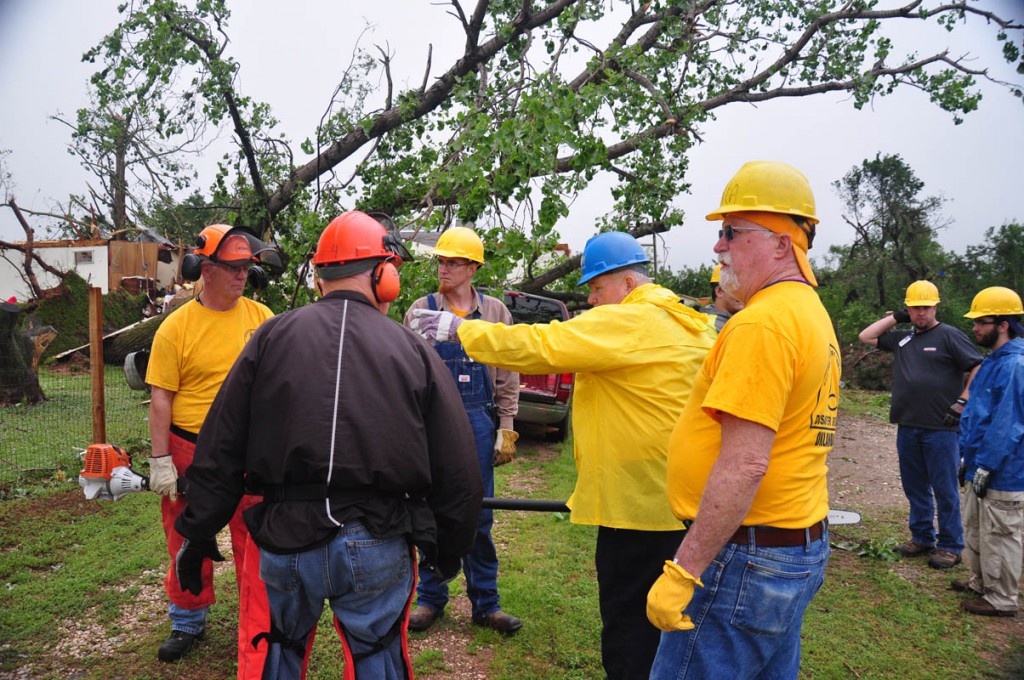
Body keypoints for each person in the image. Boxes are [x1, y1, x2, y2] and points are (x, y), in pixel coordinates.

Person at [174, 210, 484, 678]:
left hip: (284, 542)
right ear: (384, 276)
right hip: (376, 540)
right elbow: (457, 464)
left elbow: (220, 443)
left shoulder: (269, 337)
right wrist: (450, 546)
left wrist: (197, 532)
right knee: (377, 657)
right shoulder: (411, 348)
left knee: (280, 651)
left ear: (320, 276)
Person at [410, 230, 715, 679]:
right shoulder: (689, 321)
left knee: (629, 625)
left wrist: (461, 331)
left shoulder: (631, 320)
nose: (591, 300)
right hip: (680, 501)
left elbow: (541, 345)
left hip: (638, 508)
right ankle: (433, 597)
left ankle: (490, 604)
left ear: (628, 285)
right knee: (665, 627)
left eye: (595, 288)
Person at [646, 160, 841, 678]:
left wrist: (685, 569)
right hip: (789, 549)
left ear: (782, 243)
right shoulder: (808, 311)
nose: (719, 246)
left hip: (745, 561)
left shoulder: (764, 323)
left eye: (731, 232)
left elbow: (746, 462)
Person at [145, 224, 276, 666]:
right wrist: (160, 459)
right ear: (205, 267)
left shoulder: (261, 318)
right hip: (191, 448)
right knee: (186, 534)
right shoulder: (176, 327)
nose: (242, 276)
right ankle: (186, 620)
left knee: (252, 533)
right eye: (233, 268)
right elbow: (161, 395)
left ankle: (255, 619)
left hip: (247, 448)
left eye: (246, 268)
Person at [401, 226, 523, 635]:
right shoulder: (422, 308)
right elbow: (406, 370)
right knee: (432, 512)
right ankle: (430, 600)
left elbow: (507, 374)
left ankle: (486, 604)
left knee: (480, 516)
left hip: (477, 421)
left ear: (473, 268)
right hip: (432, 423)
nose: (444, 268)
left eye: (453, 262)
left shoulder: (494, 314)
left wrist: (506, 425)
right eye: (441, 260)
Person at [858, 280, 982, 569]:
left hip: (941, 427)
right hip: (908, 424)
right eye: (914, 308)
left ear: (935, 307)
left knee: (945, 487)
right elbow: (866, 336)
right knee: (914, 486)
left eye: (925, 307)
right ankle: (922, 537)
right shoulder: (903, 338)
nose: (920, 313)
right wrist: (896, 317)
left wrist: (963, 400)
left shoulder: (949, 335)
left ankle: (951, 546)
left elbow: (977, 364)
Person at [952, 286, 1024, 617]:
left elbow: (1008, 423)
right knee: (978, 527)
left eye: (982, 322)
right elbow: (979, 415)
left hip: (1005, 471)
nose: (975, 328)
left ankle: (1002, 598)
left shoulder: (1014, 366)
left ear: (1004, 324)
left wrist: (988, 465)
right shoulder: (993, 361)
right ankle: (983, 582)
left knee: (1001, 533)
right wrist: (968, 458)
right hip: (981, 463)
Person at [699, 263, 744, 331]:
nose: (743, 293)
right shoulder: (711, 327)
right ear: (719, 291)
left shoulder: (733, 321)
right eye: (736, 287)